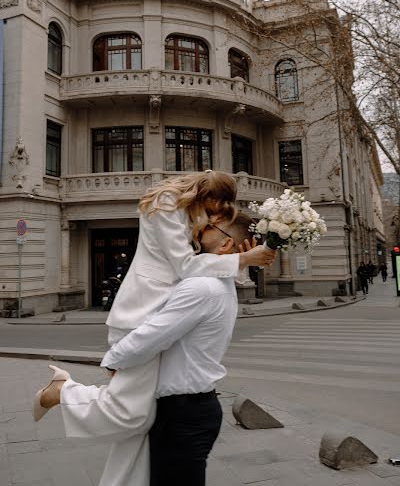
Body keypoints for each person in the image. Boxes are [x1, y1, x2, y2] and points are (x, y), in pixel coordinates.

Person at [33, 171, 275, 486]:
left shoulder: (185, 215)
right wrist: (244, 259)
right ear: (208, 195)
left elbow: (190, 267)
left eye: (214, 219)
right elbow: (185, 267)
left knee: (139, 424)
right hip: (141, 310)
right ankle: (62, 391)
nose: (208, 221)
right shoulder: (166, 203)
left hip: (155, 308)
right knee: (133, 415)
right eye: (214, 211)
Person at [103, 212, 259, 486]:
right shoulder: (214, 283)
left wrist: (113, 360)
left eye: (209, 225)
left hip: (183, 414)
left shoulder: (202, 286)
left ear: (224, 245)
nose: (197, 226)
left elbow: (151, 336)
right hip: (188, 410)